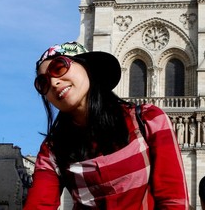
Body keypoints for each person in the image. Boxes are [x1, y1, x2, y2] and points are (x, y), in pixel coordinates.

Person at [24, 42, 189, 209]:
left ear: (87, 67)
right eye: (43, 83)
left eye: (59, 68)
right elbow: (39, 204)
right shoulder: (53, 149)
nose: (53, 83)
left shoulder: (148, 120)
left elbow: (173, 201)